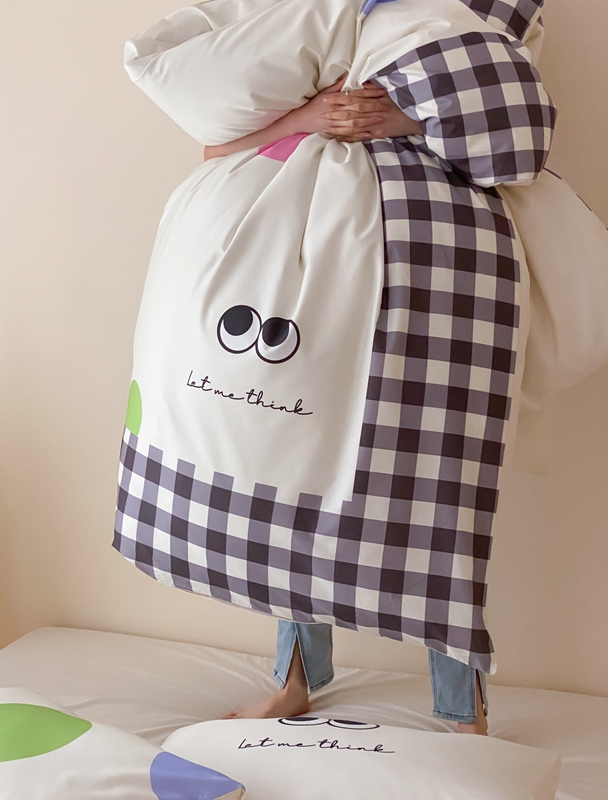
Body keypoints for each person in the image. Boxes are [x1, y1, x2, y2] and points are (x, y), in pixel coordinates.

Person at [204, 76, 488, 736]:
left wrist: (409, 122)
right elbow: (217, 150)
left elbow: (509, 146)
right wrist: (310, 115)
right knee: (296, 481)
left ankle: (463, 708)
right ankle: (295, 680)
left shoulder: (440, 51)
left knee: (439, 489)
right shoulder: (300, 50)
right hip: (311, 295)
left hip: (425, 286)